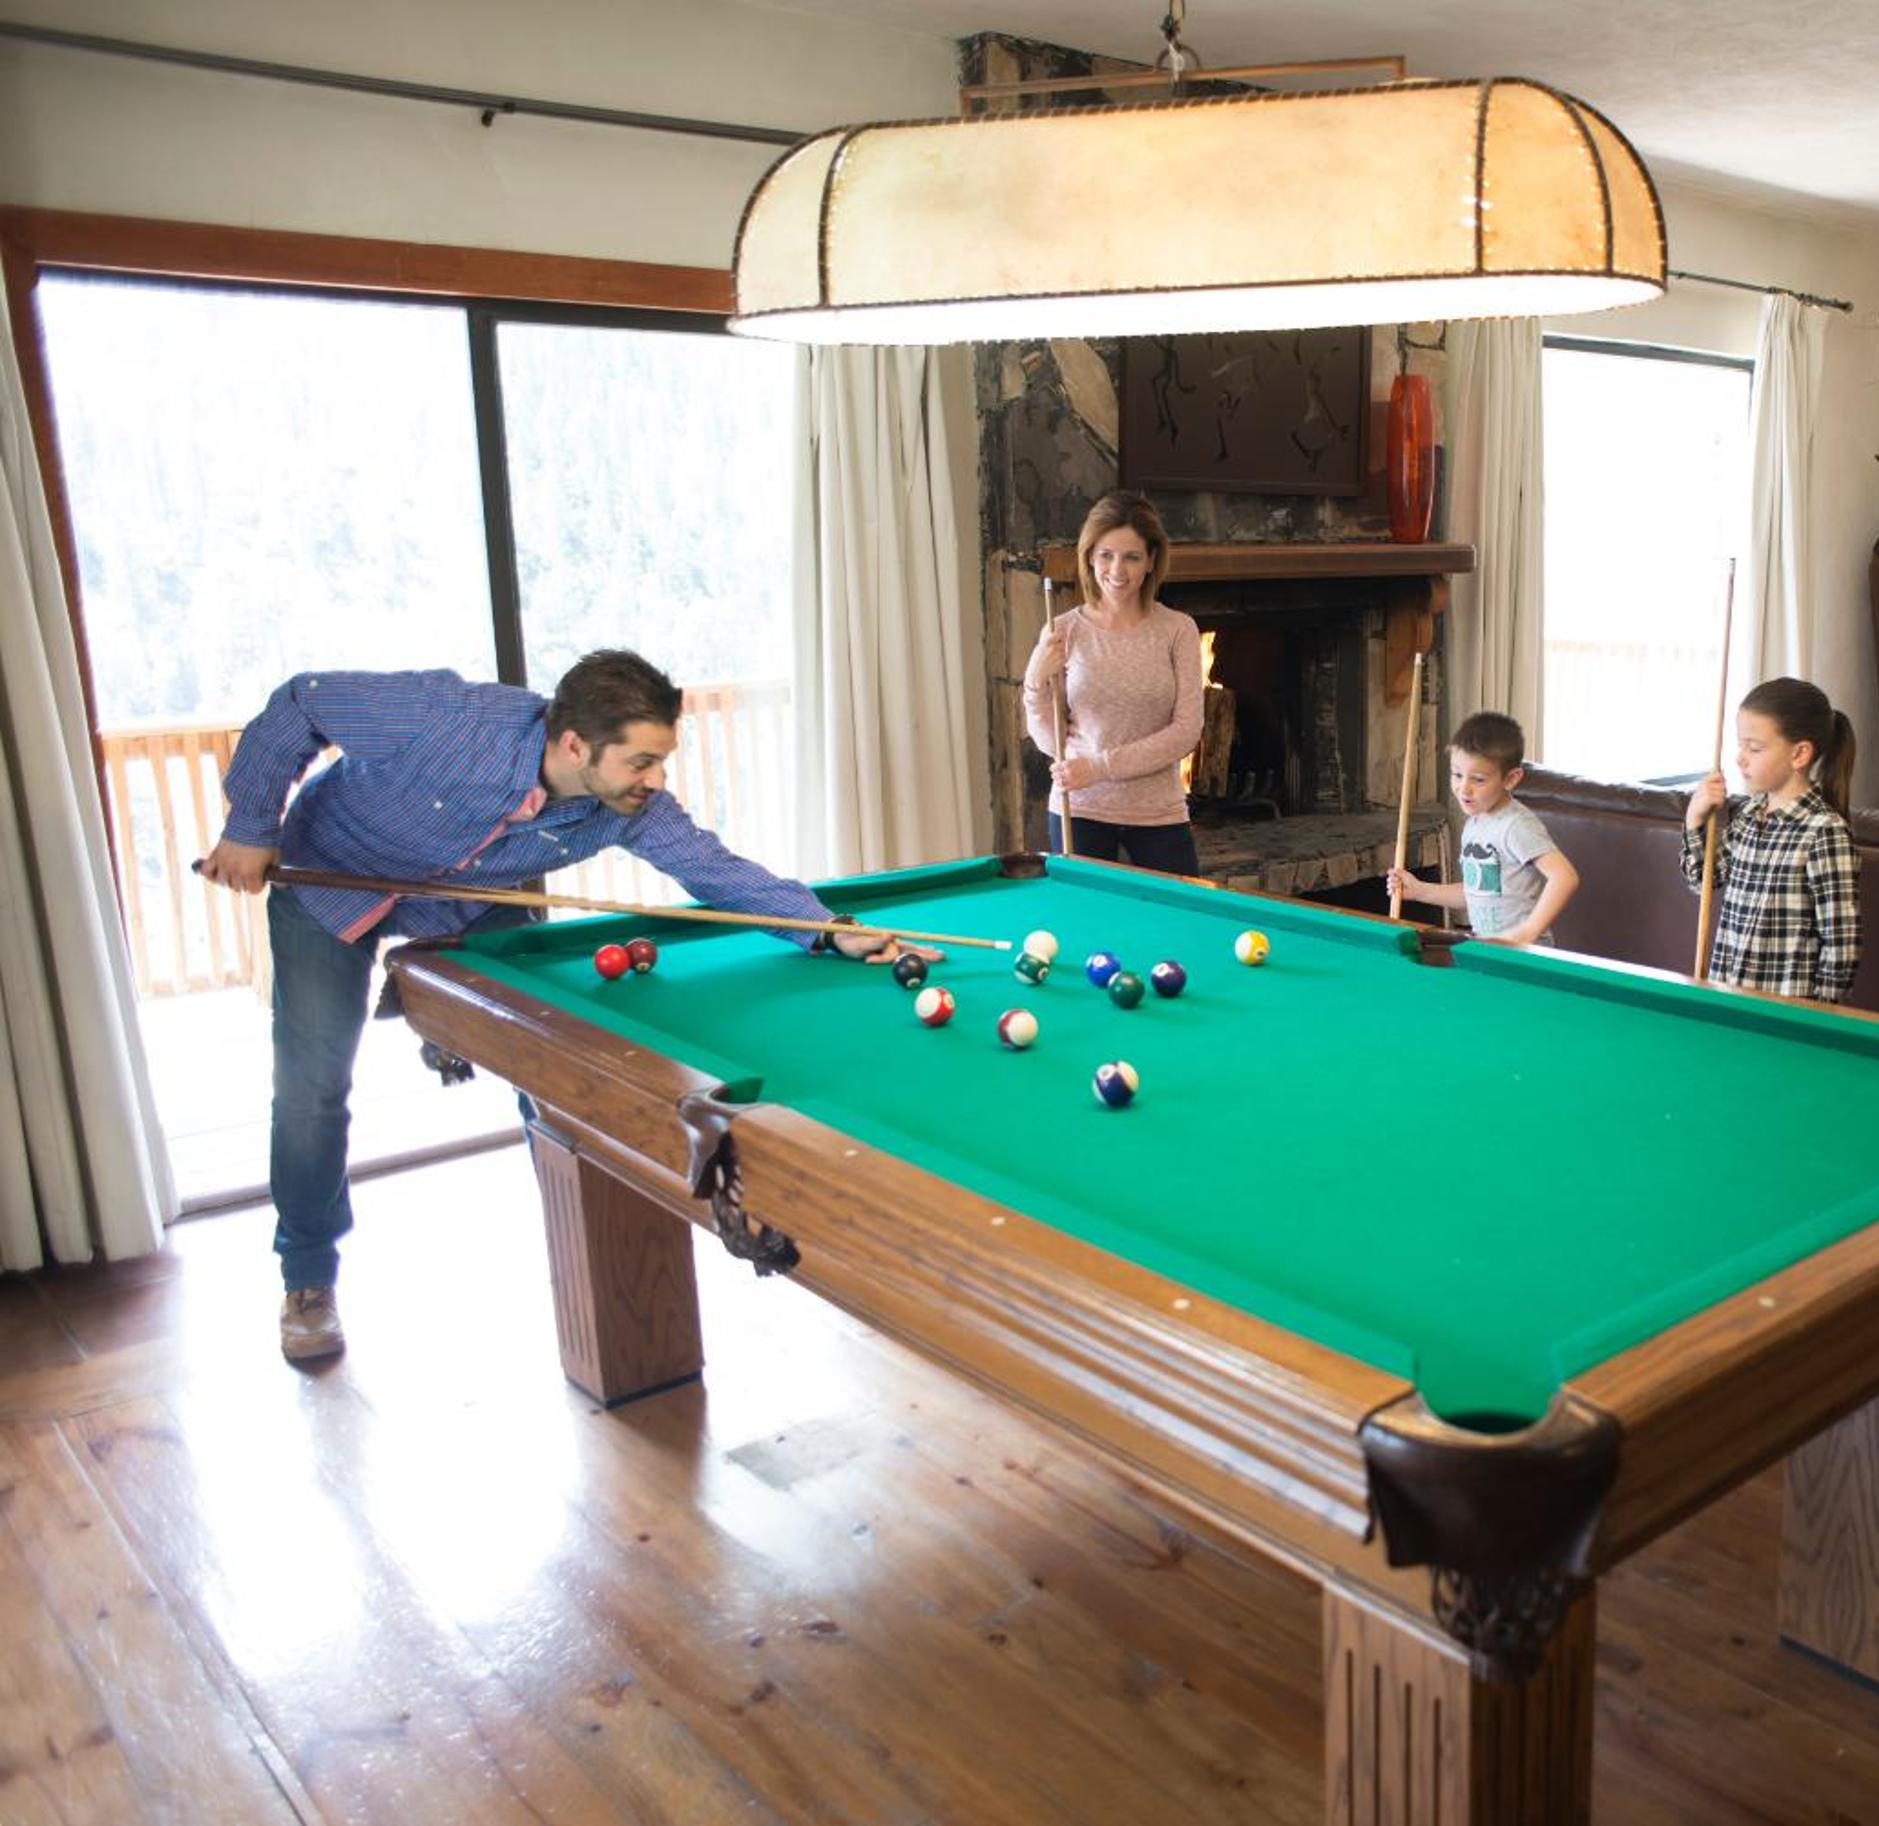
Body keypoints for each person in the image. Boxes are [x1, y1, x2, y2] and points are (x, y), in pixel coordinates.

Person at [199, 649, 912, 1365]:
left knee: (548, 1057)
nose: (656, 780)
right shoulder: (447, 719)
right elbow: (302, 701)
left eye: (662, 760)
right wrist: (251, 829)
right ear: (575, 745)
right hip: (330, 883)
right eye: (641, 762)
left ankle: (571, 1221)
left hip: (468, 903)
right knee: (312, 1089)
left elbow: (713, 870)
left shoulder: (624, 807)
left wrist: (827, 929)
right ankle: (307, 1279)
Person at [1021, 491, 1205, 874]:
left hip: (1159, 812)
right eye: (1106, 555)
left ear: (1151, 561)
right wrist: (1035, 682)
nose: (1117, 570)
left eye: (1132, 557)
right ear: (1090, 557)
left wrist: (1099, 767)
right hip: (1079, 809)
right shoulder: (1063, 630)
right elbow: (1052, 742)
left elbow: (1186, 732)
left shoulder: (1178, 630)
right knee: (1086, 914)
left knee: (1177, 910)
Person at [1682, 677, 1860, 1001]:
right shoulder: (1749, 815)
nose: (1740, 758)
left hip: (1787, 1011)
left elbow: (1841, 945)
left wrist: (1820, 1013)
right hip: (1729, 996)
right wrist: (1694, 818)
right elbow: (1702, 882)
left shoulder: (1824, 831)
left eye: (1755, 748)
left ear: (1799, 754)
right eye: (1740, 745)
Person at [1386, 711, 1580, 946]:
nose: (1463, 788)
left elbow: (1564, 877)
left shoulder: (1516, 825)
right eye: (1457, 775)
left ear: (1511, 779)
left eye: (1478, 779)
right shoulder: (1474, 824)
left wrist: (1527, 932)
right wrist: (1420, 890)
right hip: (1488, 948)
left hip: (1523, 953)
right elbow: (1476, 893)